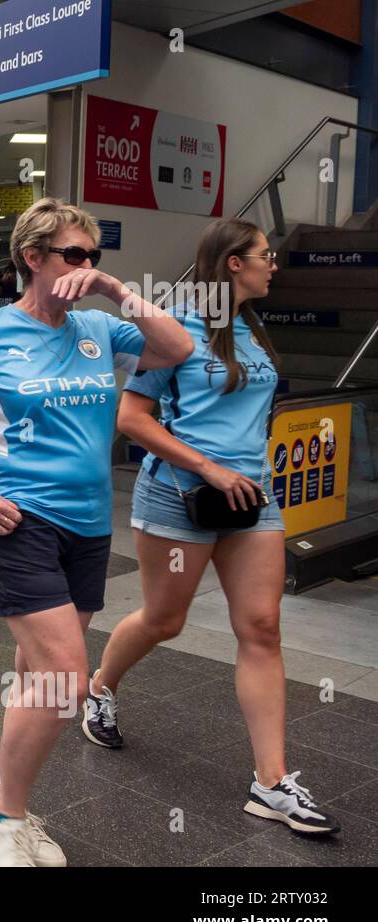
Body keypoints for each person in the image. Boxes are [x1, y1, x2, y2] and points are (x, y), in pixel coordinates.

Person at [0, 197, 193, 866]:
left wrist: (116, 290)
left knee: (40, 672)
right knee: (67, 677)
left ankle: (19, 804)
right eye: (74, 256)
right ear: (33, 259)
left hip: (90, 526)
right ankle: (3, 815)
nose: (86, 268)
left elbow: (177, 347)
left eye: (94, 257)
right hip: (16, 519)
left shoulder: (98, 327)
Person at [86, 218, 340, 835]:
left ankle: (272, 784)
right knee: (164, 621)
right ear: (231, 264)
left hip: (254, 500)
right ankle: (100, 686)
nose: (273, 264)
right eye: (263, 256)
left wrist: (244, 469)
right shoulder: (173, 330)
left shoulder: (251, 330)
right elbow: (132, 418)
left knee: (261, 627)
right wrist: (208, 467)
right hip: (180, 497)